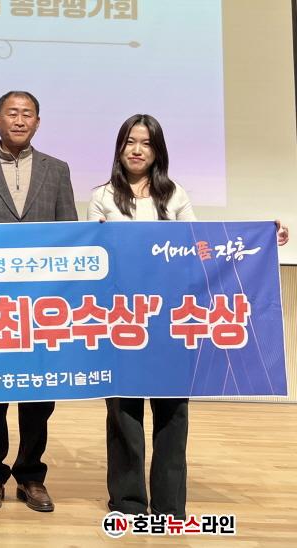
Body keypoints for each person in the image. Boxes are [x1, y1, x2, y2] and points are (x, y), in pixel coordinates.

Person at [88, 113, 288, 519]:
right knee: (123, 415)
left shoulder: (175, 195)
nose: (137, 150)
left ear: (158, 150)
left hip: (170, 323)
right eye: (130, 141)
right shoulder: (102, 196)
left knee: (173, 414)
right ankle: (127, 503)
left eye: (146, 143)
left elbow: (201, 248)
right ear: (119, 147)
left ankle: (168, 506)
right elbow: (95, 259)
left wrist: (262, 234)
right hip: (124, 320)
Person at [0, 90, 77, 512]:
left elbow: (68, 234)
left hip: (43, 306)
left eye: (27, 114)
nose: (20, 120)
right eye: (12, 113)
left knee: (39, 396)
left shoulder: (57, 169)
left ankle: (31, 476)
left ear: (38, 122)